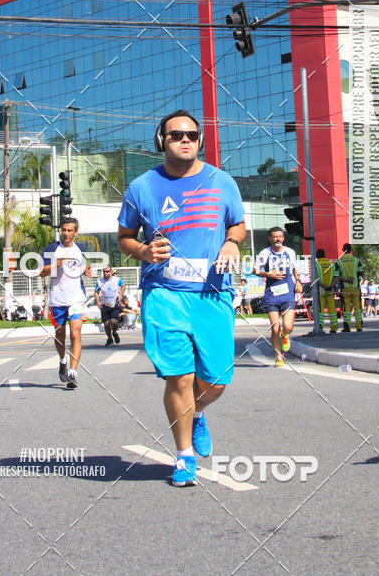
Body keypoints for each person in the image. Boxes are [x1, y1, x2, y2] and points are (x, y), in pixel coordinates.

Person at [117, 110, 245, 488]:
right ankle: (184, 455)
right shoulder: (142, 187)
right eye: (176, 135)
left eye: (191, 134)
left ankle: (198, 412)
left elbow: (236, 223)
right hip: (164, 294)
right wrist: (142, 252)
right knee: (179, 377)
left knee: (217, 380)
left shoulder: (222, 182)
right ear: (162, 141)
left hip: (212, 292)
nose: (185, 140)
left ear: (200, 140)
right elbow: (124, 236)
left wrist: (232, 243)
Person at [39, 217, 87, 389]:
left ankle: (73, 373)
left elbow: (81, 268)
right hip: (57, 299)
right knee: (60, 336)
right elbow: (41, 272)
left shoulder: (80, 249)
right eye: (64, 230)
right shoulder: (53, 249)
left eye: (69, 230)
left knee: (75, 334)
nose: (66, 233)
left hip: (76, 298)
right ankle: (62, 360)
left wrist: (86, 271)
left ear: (75, 232)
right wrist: (57, 262)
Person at [255, 227, 302, 366]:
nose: (278, 239)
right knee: (275, 328)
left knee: (287, 326)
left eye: (280, 237)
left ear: (283, 238)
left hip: (287, 293)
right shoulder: (265, 253)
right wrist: (270, 274)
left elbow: (295, 268)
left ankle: (286, 335)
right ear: (270, 238)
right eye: (275, 237)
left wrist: (298, 281)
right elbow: (255, 269)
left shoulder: (290, 252)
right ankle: (278, 356)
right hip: (272, 295)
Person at [336, 242, 364, 332]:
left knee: (346, 308)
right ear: (351, 251)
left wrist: (345, 280)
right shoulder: (356, 261)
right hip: (355, 288)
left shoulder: (339, 262)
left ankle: (347, 327)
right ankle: (359, 327)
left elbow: (336, 275)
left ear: (343, 251)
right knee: (357, 308)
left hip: (345, 289)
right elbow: (362, 274)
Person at [94, 265, 124, 345]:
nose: (105, 273)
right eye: (104, 271)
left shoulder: (117, 280)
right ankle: (110, 338)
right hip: (104, 305)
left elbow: (123, 285)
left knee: (114, 322)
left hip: (114, 304)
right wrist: (98, 302)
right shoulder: (99, 281)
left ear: (111, 272)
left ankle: (114, 332)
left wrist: (120, 295)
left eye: (107, 271)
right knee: (106, 324)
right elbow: (96, 292)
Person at [315, 248, 338, 334]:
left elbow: (315, 279)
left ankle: (321, 327)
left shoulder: (316, 264)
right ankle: (334, 328)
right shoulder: (331, 263)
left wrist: (324, 286)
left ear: (317, 256)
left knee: (321, 311)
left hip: (321, 291)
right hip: (330, 290)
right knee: (332, 310)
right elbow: (336, 276)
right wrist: (331, 286)